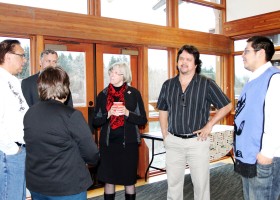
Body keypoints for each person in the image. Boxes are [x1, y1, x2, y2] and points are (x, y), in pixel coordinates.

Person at [157, 44, 232, 200]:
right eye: (181, 58)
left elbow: (227, 105)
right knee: (173, 185)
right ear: (177, 62)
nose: (184, 62)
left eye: (189, 59)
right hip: (174, 142)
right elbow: (163, 110)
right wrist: (165, 134)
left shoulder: (206, 84)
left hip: (197, 141)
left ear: (196, 64)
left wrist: (209, 125)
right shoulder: (168, 85)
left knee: (201, 185)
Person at [23, 66, 99, 199]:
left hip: (37, 184)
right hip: (67, 187)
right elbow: (91, 154)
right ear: (65, 87)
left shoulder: (30, 113)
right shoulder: (71, 115)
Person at [234, 36, 280, 200]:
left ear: (260, 53)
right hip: (250, 155)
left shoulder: (274, 78)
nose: (242, 55)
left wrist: (266, 154)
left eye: (246, 51)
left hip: (264, 158)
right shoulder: (254, 79)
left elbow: (276, 119)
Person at [92, 62, 147, 200]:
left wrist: (128, 113)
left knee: (129, 181)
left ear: (124, 75)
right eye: (111, 71)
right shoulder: (103, 94)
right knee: (109, 180)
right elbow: (95, 121)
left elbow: (142, 120)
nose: (112, 74)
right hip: (108, 145)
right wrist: (108, 114)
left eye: (116, 72)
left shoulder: (134, 93)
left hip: (129, 145)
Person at [0, 39, 29, 199]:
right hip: (8, 153)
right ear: (7, 56)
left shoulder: (13, 81)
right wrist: (13, 149)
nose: (24, 60)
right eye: (21, 55)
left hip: (19, 150)